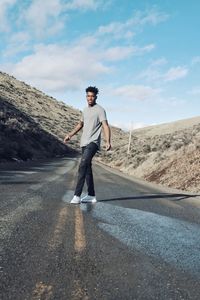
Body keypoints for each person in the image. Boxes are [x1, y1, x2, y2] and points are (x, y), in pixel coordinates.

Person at [63, 86, 111, 204]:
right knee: (87, 168)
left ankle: (77, 195)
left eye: (92, 96)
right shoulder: (84, 110)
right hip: (84, 142)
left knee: (83, 165)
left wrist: (108, 141)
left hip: (93, 143)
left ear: (96, 97)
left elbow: (105, 125)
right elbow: (80, 125)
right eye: (88, 96)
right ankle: (91, 195)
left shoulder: (100, 110)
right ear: (86, 97)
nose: (90, 98)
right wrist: (70, 135)